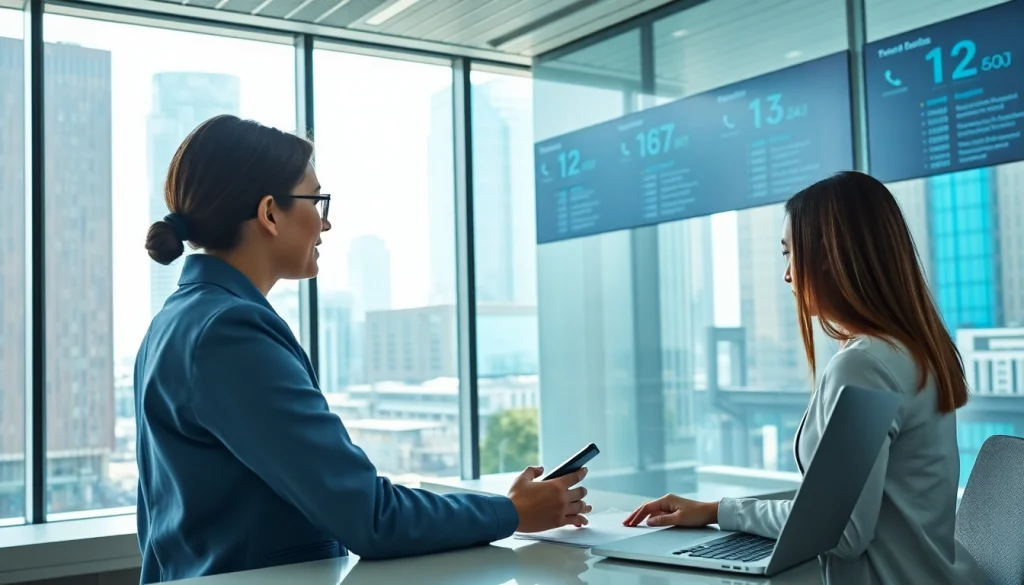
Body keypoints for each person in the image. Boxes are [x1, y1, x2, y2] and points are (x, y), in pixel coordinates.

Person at [135, 114, 591, 584]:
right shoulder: (230, 332)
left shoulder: (178, 320)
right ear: (270, 213)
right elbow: (371, 518)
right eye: (317, 201)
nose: (326, 223)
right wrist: (511, 512)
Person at [623, 171, 986, 584]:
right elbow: (839, 506)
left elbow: (839, 531)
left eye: (789, 253)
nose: (787, 274)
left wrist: (721, 511)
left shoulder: (864, 365)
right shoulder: (912, 353)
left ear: (829, 255)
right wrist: (716, 510)